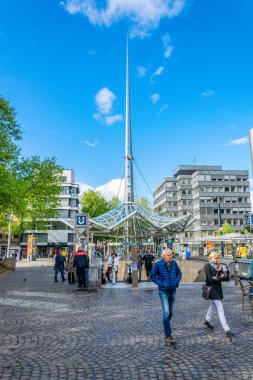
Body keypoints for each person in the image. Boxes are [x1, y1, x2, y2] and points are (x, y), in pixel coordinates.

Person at [150, 249, 182, 345]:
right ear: (164, 256)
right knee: (166, 312)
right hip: (163, 291)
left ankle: (166, 323)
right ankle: (168, 335)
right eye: (168, 255)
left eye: (171, 255)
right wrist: (161, 283)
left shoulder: (174, 263)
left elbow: (179, 273)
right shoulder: (158, 264)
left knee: (170, 313)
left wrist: (176, 282)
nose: (170, 257)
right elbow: (152, 276)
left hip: (173, 290)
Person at [204, 252, 234, 340]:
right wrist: (218, 276)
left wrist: (217, 277)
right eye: (214, 258)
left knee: (213, 305)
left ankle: (207, 320)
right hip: (212, 288)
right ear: (210, 258)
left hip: (218, 288)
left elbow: (224, 276)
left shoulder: (218, 265)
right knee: (220, 307)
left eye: (217, 258)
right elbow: (209, 279)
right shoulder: (207, 266)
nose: (216, 260)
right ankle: (227, 330)